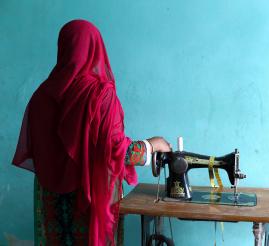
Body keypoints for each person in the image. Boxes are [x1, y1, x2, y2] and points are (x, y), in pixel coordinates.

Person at [12, 19, 172, 246]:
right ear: (96, 48)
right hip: (90, 201)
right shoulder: (100, 95)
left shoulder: (41, 96)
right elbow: (119, 151)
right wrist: (153, 144)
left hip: (50, 201)